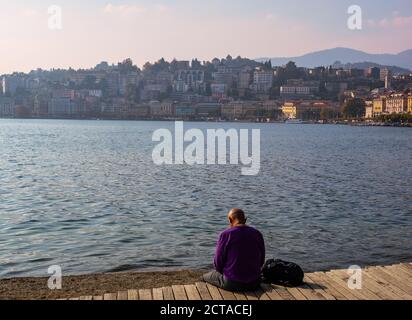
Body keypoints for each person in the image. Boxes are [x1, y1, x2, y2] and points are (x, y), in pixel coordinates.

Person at [202, 208, 265, 292]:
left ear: (230, 220)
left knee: (204, 277)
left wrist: (225, 272)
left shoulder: (225, 235)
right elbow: (261, 261)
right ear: (245, 220)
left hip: (232, 283)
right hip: (254, 283)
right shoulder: (257, 233)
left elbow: (218, 263)